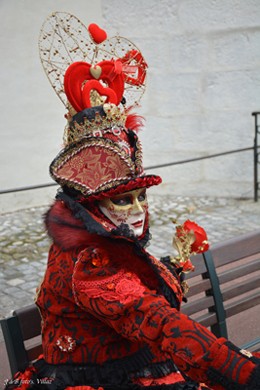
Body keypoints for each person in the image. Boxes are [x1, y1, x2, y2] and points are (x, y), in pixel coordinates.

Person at [6, 12, 260, 390]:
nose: (140, 209)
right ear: (90, 206)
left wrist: (172, 265)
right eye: (123, 200)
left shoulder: (107, 241)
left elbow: (138, 296)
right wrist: (243, 373)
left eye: (141, 196)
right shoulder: (88, 261)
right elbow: (150, 316)